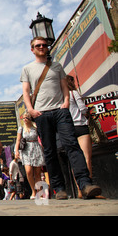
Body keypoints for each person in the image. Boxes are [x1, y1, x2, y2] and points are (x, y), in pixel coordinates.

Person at [21, 36, 101, 199]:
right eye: (38, 45)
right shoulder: (27, 69)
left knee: (72, 144)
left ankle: (85, 184)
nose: (42, 47)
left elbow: (65, 86)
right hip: (42, 114)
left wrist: (65, 102)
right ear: (32, 49)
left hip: (60, 111)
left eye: (44, 45)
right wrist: (31, 110)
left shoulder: (56, 66)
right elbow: (26, 92)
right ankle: (59, 189)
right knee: (50, 152)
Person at [66, 75, 94, 197]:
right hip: (81, 126)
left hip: (69, 128)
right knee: (86, 158)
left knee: (76, 160)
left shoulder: (63, 97)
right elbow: (82, 109)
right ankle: (88, 185)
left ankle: (79, 189)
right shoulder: (73, 93)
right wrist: (87, 114)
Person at [14, 112, 45, 199]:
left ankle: (40, 192)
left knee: (37, 173)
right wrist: (16, 151)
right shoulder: (21, 128)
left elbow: (41, 137)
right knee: (28, 171)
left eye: (26, 118)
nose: (25, 119)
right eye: (23, 118)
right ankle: (33, 191)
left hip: (36, 148)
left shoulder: (35, 127)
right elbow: (18, 140)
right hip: (26, 150)